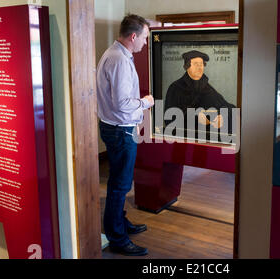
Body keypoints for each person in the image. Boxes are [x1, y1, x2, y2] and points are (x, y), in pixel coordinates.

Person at [96, 14, 154, 256]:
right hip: (120, 131)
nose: (145, 43)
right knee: (120, 185)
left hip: (118, 129)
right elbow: (122, 103)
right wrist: (145, 103)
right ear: (133, 36)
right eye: (144, 38)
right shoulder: (119, 59)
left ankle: (120, 224)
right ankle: (117, 238)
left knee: (120, 182)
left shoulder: (116, 53)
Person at [164, 50, 236, 139]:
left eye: (201, 64)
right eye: (196, 64)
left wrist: (223, 117)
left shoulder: (207, 88)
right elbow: (169, 119)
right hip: (184, 141)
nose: (199, 68)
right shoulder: (175, 88)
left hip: (208, 141)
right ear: (187, 66)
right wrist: (195, 118)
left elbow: (227, 106)